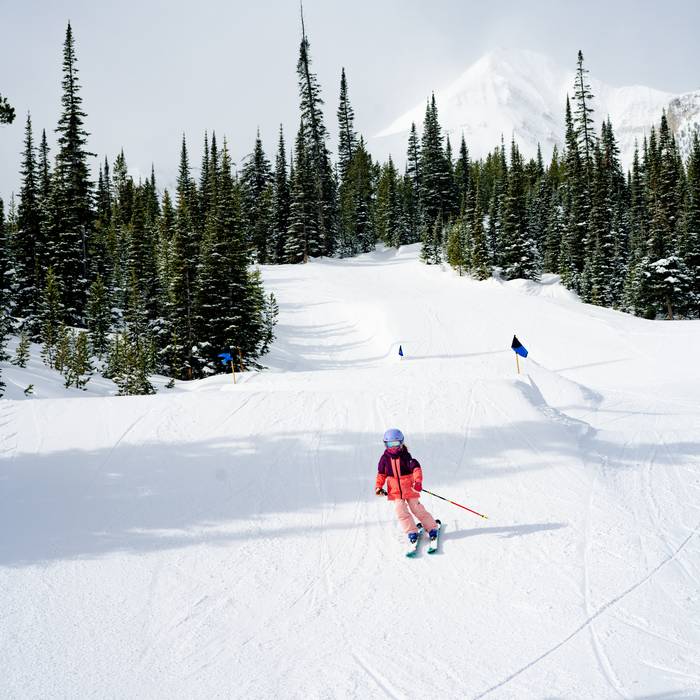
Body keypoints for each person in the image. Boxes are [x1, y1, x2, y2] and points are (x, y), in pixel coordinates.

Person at [375, 428, 439, 544]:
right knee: (400, 510)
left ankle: (432, 528)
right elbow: (381, 474)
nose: (393, 447)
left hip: (409, 488)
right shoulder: (384, 459)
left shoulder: (406, 456)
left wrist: (418, 482)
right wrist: (378, 486)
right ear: (385, 444)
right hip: (395, 492)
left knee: (417, 509)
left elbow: (416, 469)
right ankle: (411, 531)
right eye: (390, 444)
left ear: (401, 443)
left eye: (395, 444)